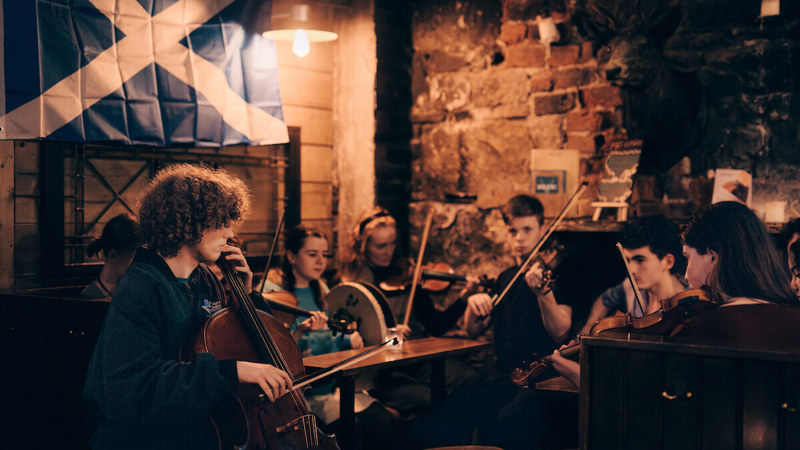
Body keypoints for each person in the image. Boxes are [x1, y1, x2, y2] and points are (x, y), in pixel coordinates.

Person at [82, 164, 294, 450]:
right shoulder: (141, 286)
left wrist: (244, 296)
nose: (230, 233)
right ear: (189, 222)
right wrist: (230, 372)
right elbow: (135, 389)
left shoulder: (203, 278)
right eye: (222, 221)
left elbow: (241, 346)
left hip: (202, 431)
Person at [412, 194, 577, 450]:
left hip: (541, 379)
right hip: (503, 376)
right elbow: (473, 329)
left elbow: (560, 332)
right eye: (513, 231)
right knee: (447, 413)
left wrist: (543, 294)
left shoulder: (554, 277)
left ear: (542, 230)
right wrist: (472, 302)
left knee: (507, 422)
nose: (519, 238)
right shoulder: (505, 278)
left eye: (527, 230)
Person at [262, 224, 400, 448]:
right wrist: (308, 334)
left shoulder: (325, 290)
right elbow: (284, 350)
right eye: (312, 254)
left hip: (333, 386)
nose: (320, 261)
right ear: (291, 256)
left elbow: (334, 337)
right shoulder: (271, 293)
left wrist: (351, 337)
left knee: (382, 421)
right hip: (302, 394)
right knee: (351, 426)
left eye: (324, 255)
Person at [339, 206, 479, 421]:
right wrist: (387, 333)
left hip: (412, 360)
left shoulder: (407, 276)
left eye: (393, 243)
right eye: (381, 246)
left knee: (469, 379)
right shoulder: (354, 285)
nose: (389, 252)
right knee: (430, 400)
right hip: (380, 372)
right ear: (363, 246)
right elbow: (349, 338)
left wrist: (463, 299)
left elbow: (436, 325)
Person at [551, 215, 690, 387]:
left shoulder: (688, 304)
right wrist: (585, 335)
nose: (631, 269)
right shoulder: (630, 287)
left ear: (667, 261)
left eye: (640, 260)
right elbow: (605, 299)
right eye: (628, 260)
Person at [674, 200, 800, 345]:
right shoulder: (794, 317)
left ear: (713, 256)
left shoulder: (707, 326)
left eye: (688, 258)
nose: (685, 275)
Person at [81, 214, 143, 298]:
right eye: (132, 259)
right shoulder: (90, 297)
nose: (135, 266)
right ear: (113, 255)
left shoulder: (129, 292)